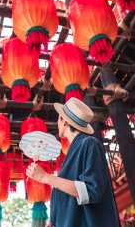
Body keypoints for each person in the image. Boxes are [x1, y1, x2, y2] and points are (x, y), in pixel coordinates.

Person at [26, 97, 120, 227]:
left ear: (64, 121)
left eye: (58, 118)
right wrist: (54, 220)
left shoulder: (89, 144)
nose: (57, 122)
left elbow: (90, 191)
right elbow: (68, 197)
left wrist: (45, 177)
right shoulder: (75, 150)